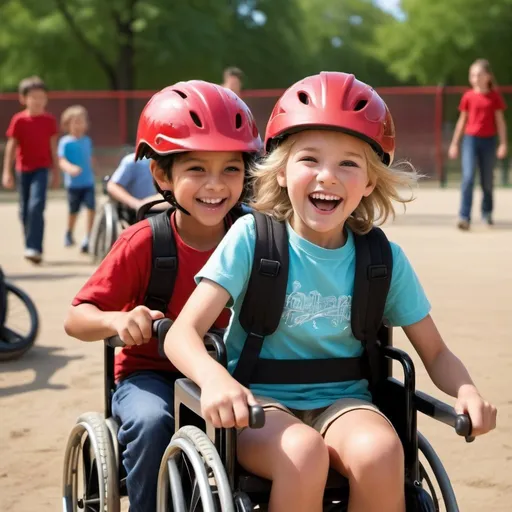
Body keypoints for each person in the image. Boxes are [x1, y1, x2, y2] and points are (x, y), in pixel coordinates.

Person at [164, 72, 497, 512]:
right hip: (257, 406)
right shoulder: (252, 239)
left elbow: (434, 352)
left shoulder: (382, 260)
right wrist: (214, 380)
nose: (328, 177)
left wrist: (467, 391)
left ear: (370, 182)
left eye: (348, 164)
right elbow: (181, 334)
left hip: (345, 402)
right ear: (281, 173)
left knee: (382, 453)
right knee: (301, 453)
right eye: (309, 160)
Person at [63, 80, 261, 512]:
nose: (216, 185)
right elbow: (76, 318)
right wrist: (117, 321)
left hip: (232, 370)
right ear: (161, 174)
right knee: (153, 423)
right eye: (196, 169)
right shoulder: (143, 242)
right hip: (150, 374)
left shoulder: (256, 238)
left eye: (231, 168)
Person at [2, 76, 60, 264]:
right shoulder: (18, 121)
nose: (37, 101)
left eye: (41, 97)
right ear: (23, 99)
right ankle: (30, 243)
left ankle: (34, 247)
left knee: (36, 206)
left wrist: (57, 172)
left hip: (42, 169)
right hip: (22, 169)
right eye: (33, 97)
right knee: (24, 210)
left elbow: (53, 147)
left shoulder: (49, 121)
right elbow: (11, 147)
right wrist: (7, 172)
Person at [448, 59, 507, 230]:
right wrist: (454, 143)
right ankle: (464, 216)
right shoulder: (468, 96)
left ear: (488, 76)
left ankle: (487, 213)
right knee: (467, 178)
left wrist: (503, 144)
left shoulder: (494, 97)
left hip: (489, 141)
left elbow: (500, 122)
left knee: (487, 180)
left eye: (479, 74)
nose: (475, 78)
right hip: (470, 140)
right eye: (472, 75)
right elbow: (462, 121)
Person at [58, 105, 96, 252]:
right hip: (74, 185)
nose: (80, 125)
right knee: (73, 211)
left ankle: (88, 236)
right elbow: (61, 160)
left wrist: (94, 169)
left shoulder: (87, 140)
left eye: (83, 121)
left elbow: (89, 158)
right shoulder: (65, 142)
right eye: (76, 121)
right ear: (68, 124)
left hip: (88, 182)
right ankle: (69, 231)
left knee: (91, 208)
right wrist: (70, 168)